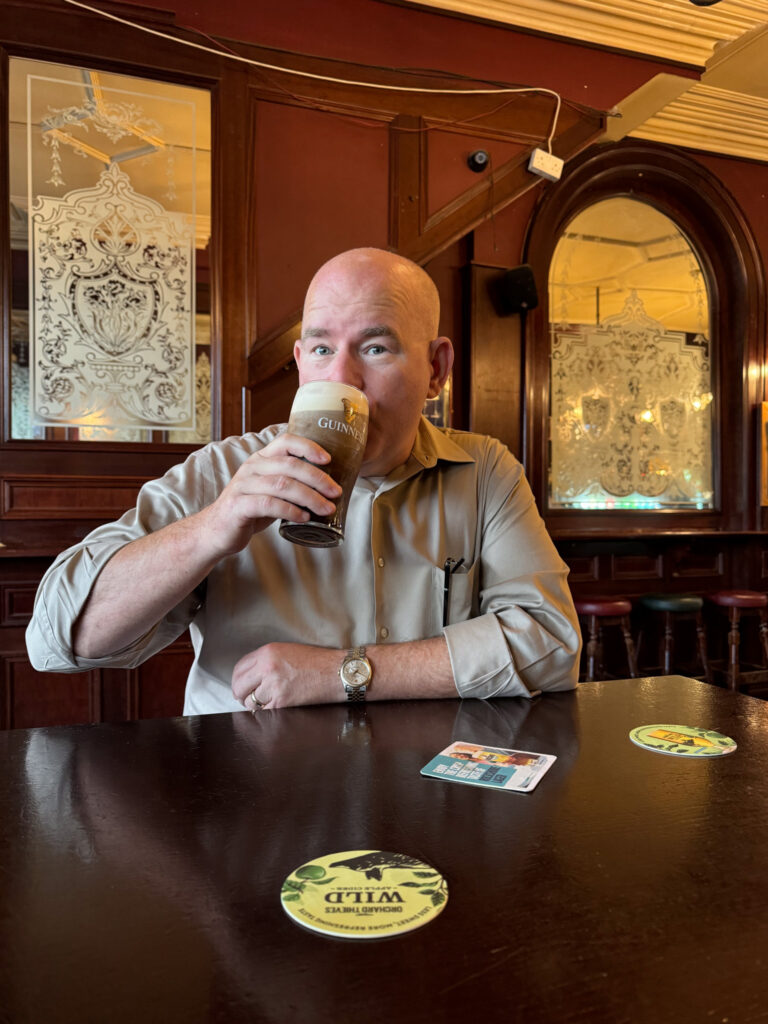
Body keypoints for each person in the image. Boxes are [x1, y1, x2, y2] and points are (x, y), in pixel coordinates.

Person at [26, 247, 581, 713]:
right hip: (247, 789)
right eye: (321, 349)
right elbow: (56, 640)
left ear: (435, 370)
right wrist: (214, 527)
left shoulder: (485, 471)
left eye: (375, 348)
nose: (342, 378)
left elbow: (552, 642)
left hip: (421, 781)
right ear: (299, 363)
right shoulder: (225, 471)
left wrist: (345, 673)